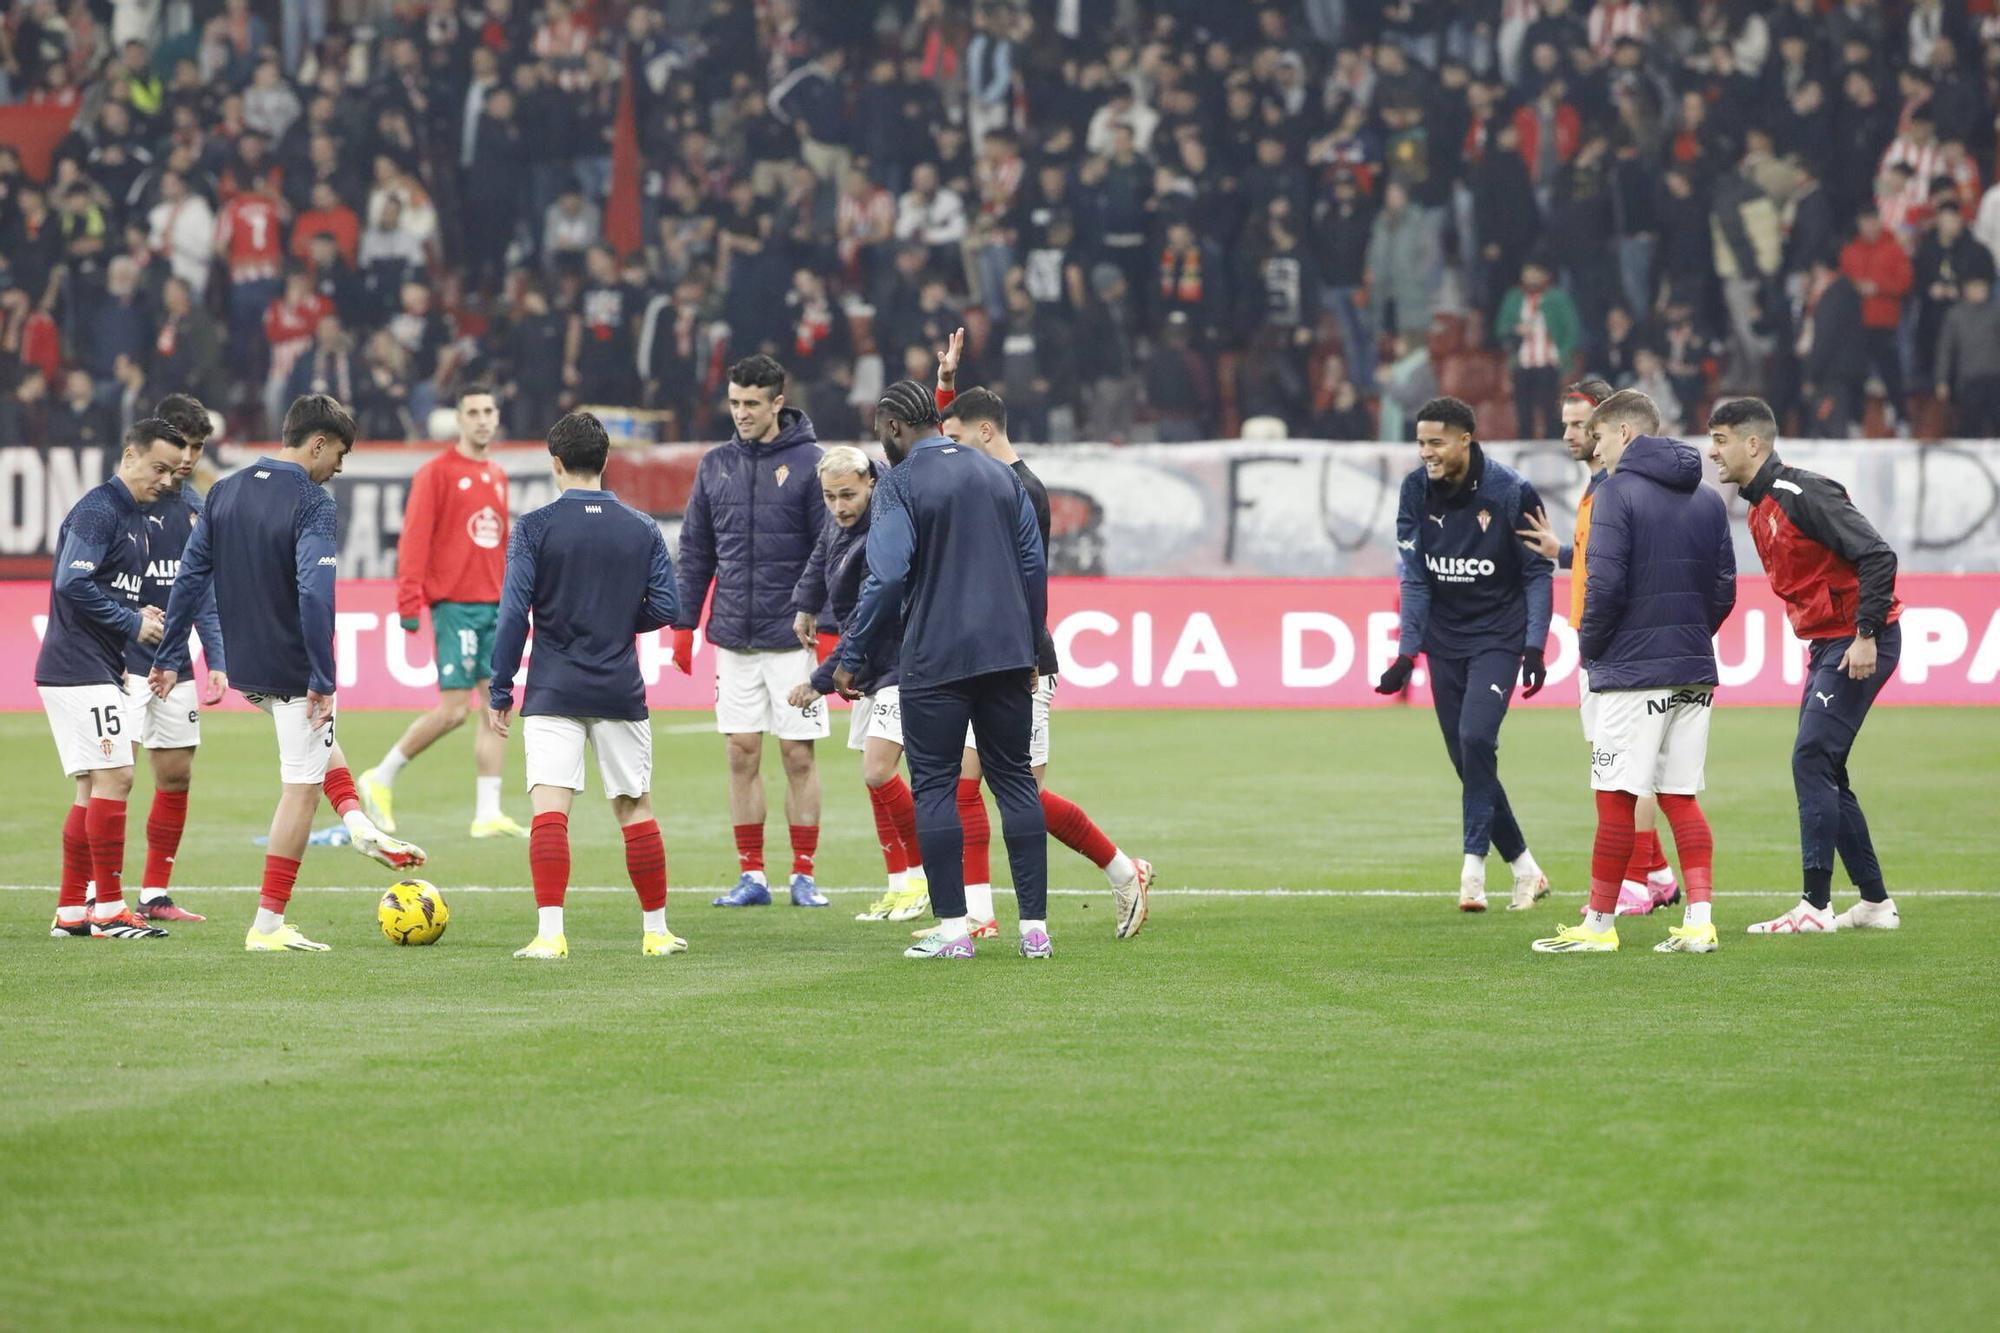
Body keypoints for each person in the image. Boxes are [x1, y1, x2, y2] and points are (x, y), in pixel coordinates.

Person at [151, 395, 425, 953]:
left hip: (248, 664)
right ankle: (269, 925)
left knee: (314, 746)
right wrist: (323, 675)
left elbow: (189, 578)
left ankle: (359, 825)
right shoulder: (312, 501)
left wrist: (168, 653)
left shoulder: (224, 489)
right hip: (294, 665)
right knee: (299, 791)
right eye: (340, 454)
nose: (340, 467)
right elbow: (316, 595)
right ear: (317, 443)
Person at [936, 361, 1153, 940]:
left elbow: (1028, 582)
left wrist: (1029, 655)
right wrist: (946, 386)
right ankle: (979, 913)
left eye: (956, 440)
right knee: (964, 782)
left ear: (986, 432)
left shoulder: (1023, 491)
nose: (947, 452)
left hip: (1021, 662)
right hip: (986, 661)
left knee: (1022, 796)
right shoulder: (987, 482)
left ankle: (1123, 870)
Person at [836, 380, 1050, 960]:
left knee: (934, 789)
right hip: (1007, 653)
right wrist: (1033, 645)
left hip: (935, 658)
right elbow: (1033, 565)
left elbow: (886, 577)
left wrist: (852, 656)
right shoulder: (999, 475)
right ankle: (1035, 932)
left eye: (883, 432)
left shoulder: (900, 484)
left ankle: (955, 934)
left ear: (895, 427)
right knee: (1015, 784)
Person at [1533, 390, 1735, 955]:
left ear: (1623, 433)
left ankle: (1599, 927)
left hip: (1631, 671)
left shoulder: (1615, 494)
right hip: (1694, 668)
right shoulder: (1707, 498)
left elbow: (1606, 585)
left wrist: (1594, 650)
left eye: (1597, 436)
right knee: (1680, 795)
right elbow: (1724, 590)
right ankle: (1699, 922)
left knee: (1615, 796)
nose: (1593, 448)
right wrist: (1691, 637)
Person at [488, 412, 685, 960]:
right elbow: (668, 606)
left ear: (556, 463)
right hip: (619, 686)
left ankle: (551, 934)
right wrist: (621, 620)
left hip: (553, 686)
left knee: (550, 810)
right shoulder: (641, 526)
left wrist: (501, 688)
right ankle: (656, 931)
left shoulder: (534, 527)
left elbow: (513, 616)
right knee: (635, 807)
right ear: (604, 462)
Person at [1707, 397, 1904, 933]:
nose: (1712, 452)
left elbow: (1877, 555)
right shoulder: (1758, 508)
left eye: (1721, 440)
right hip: (1827, 645)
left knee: (1810, 759)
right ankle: (1875, 903)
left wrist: (1865, 634)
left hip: (1856, 641)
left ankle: (1816, 907)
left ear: (1753, 444)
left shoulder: (1801, 493)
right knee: (1825, 767)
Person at [1377, 396, 1554, 913]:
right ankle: (1525, 869)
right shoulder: (1414, 490)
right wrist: (1408, 654)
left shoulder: (1509, 491)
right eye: (1420, 443)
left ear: (1464, 439)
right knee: (1467, 757)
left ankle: (1472, 870)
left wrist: (1535, 646)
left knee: (1478, 738)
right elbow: (1414, 578)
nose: (1425, 453)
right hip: (1444, 642)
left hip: (1497, 637)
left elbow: (1536, 573)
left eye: (1435, 442)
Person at [670, 355, 833, 908]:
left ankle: (804, 875)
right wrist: (683, 625)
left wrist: (824, 622)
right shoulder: (714, 465)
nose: (740, 413)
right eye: (734, 403)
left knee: (798, 756)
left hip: (794, 639)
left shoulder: (813, 464)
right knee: (741, 752)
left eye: (751, 404)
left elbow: (829, 550)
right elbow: (696, 552)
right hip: (734, 637)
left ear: (777, 404)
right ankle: (753, 876)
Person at [1515, 378, 1680, 917]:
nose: (1568, 434)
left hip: (1621, 651)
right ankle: (1655, 873)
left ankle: (1634, 879)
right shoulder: (1597, 489)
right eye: (1563, 423)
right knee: (1618, 765)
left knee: (1628, 770)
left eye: (1578, 424)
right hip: (1601, 647)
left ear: (1609, 426)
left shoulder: (1617, 487)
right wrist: (1563, 552)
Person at [37, 420, 188, 940]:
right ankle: (108, 909)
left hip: (95, 664)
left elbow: (104, 587)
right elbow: (72, 581)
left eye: (173, 471)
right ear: (129, 456)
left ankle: (71, 912)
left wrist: (132, 608)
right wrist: (132, 623)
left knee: (90, 787)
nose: (166, 479)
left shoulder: (135, 517)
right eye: (158, 468)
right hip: (76, 664)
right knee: (118, 775)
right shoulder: (100, 509)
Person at [360, 383, 526, 839]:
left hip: (494, 605)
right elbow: (415, 538)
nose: (482, 419)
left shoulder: (496, 473)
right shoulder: (436, 473)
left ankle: (487, 812)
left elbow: (499, 542)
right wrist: (409, 601)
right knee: (454, 711)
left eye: (489, 410)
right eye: (473, 411)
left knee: (497, 707)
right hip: (456, 605)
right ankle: (382, 775)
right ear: (459, 418)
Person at [787, 445, 929, 924]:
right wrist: (806, 606)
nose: (838, 506)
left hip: (899, 663)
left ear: (871, 484)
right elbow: (819, 557)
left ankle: (925, 876)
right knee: (875, 781)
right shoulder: (842, 521)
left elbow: (875, 609)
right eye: (830, 497)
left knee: (878, 771)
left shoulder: (884, 530)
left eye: (847, 495)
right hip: (869, 666)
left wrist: (823, 679)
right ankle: (899, 886)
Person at [109, 394, 229, 922]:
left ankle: (154, 893)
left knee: (176, 774)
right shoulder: (120, 504)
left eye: (197, 448)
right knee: (112, 775)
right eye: (182, 444)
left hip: (175, 662)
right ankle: (95, 893)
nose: (188, 458)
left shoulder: (196, 509)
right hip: (119, 662)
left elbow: (202, 591)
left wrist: (216, 660)